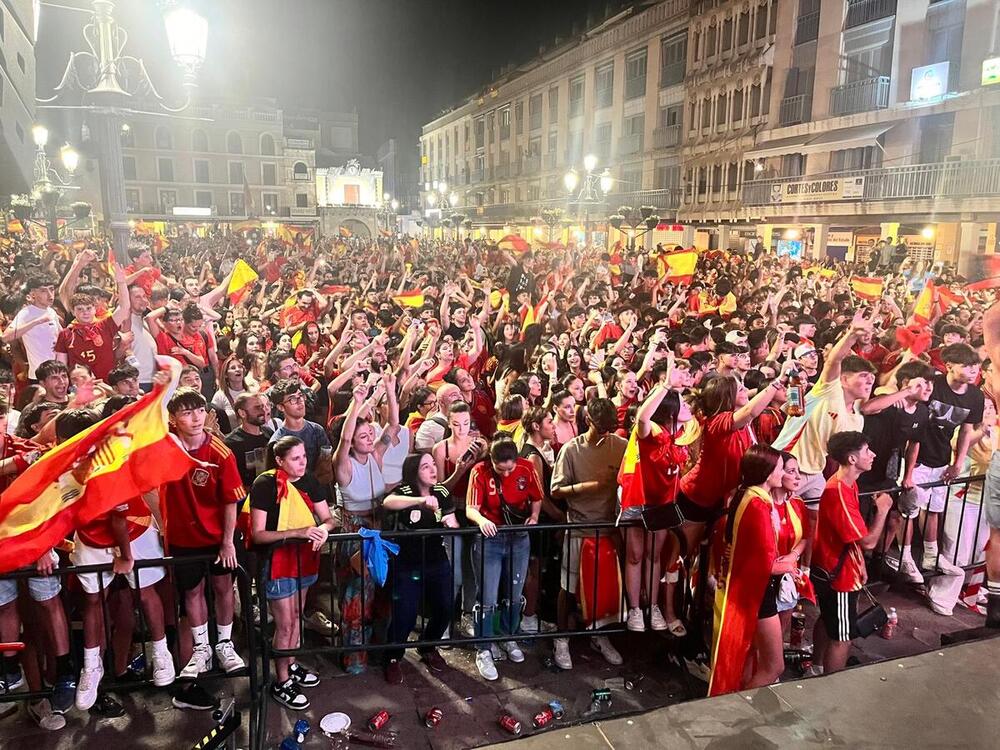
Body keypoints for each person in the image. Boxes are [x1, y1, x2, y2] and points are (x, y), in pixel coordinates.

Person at [58, 406, 173, 711]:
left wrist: (125, 555)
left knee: (146, 593)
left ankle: (161, 652)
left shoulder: (111, 461)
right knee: (93, 600)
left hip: (134, 529)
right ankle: (91, 666)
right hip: (90, 537)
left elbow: (119, 519)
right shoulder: (62, 466)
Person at [159, 387, 246, 711]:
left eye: (199, 411)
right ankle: (200, 648)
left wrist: (226, 541)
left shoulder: (220, 452)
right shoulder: (167, 448)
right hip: (183, 539)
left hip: (217, 538)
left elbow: (229, 500)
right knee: (191, 594)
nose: (194, 418)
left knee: (224, 587)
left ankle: (224, 643)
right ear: (173, 418)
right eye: (185, 412)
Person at [250, 436, 334, 710]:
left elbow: (329, 518)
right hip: (277, 563)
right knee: (285, 624)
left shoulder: (310, 482)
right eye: (295, 458)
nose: (302, 463)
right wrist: (298, 532)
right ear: (279, 461)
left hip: (304, 561)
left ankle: (292, 663)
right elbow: (259, 534)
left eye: (304, 457)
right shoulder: (265, 484)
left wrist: (323, 530)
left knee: (297, 617)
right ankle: (281, 680)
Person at [708, 445, 793, 695]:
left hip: (748, 592)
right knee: (774, 666)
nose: (784, 474)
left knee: (748, 659)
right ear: (767, 474)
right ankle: (739, 711)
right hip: (758, 595)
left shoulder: (746, 497)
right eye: (781, 469)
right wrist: (788, 564)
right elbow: (765, 563)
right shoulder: (758, 505)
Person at [550, 397, 626, 671]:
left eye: (610, 429)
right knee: (568, 588)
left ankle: (599, 634)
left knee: (604, 591)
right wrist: (588, 486)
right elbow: (555, 490)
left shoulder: (621, 446)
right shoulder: (571, 450)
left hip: (609, 530)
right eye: (601, 428)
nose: (605, 434)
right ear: (588, 421)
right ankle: (561, 639)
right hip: (579, 528)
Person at [332, 372, 400, 674]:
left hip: (378, 530)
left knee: (381, 595)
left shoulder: (376, 455)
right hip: (355, 535)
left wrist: (390, 389)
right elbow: (345, 438)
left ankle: (376, 648)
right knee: (356, 597)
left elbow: (393, 425)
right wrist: (356, 405)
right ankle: (353, 656)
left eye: (369, 434)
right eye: (364, 436)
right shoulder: (343, 465)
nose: (370, 438)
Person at [811, 431, 893, 674]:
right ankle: (833, 684)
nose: (873, 455)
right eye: (867, 451)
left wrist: (861, 567)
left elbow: (852, 541)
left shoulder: (848, 485)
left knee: (829, 619)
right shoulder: (838, 491)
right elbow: (867, 541)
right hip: (839, 576)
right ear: (852, 458)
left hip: (838, 568)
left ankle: (815, 667)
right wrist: (883, 511)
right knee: (843, 635)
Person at [901, 344, 983, 580]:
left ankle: (931, 554)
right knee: (910, 509)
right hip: (916, 454)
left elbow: (967, 431)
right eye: (966, 365)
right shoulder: (933, 385)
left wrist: (958, 462)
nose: (973, 370)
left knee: (935, 508)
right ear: (949, 366)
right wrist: (908, 468)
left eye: (975, 366)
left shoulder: (975, 396)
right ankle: (905, 557)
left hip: (942, 456)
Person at [465, 436, 542, 681]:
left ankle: (508, 636)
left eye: (510, 468)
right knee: (487, 595)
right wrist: (482, 520)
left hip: (519, 536)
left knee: (514, 591)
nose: (507, 473)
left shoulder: (527, 467)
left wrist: (534, 516)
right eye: (501, 469)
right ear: (492, 461)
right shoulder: (479, 471)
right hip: (490, 539)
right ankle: (484, 647)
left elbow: (537, 497)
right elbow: (471, 508)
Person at [621, 379, 693, 636]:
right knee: (636, 556)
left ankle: (652, 606)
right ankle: (635, 609)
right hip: (638, 499)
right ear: (670, 411)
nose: (688, 405)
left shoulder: (683, 433)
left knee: (654, 557)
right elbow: (641, 417)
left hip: (663, 503)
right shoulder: (651, 431)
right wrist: (665, 386)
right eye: (682, 403)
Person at [382, 453, 458, 683]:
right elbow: (387, 502)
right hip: (407, 563)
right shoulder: (404, 491)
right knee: (405, 613)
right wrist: (419, 502)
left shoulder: (442, 491)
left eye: (433, 464)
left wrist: (450, 523)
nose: (433, 469)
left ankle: (428, 646)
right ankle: (393, 657)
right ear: (415, 472)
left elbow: (452, 520)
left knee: (445, 607)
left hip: (437, 560)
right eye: (426, 467)